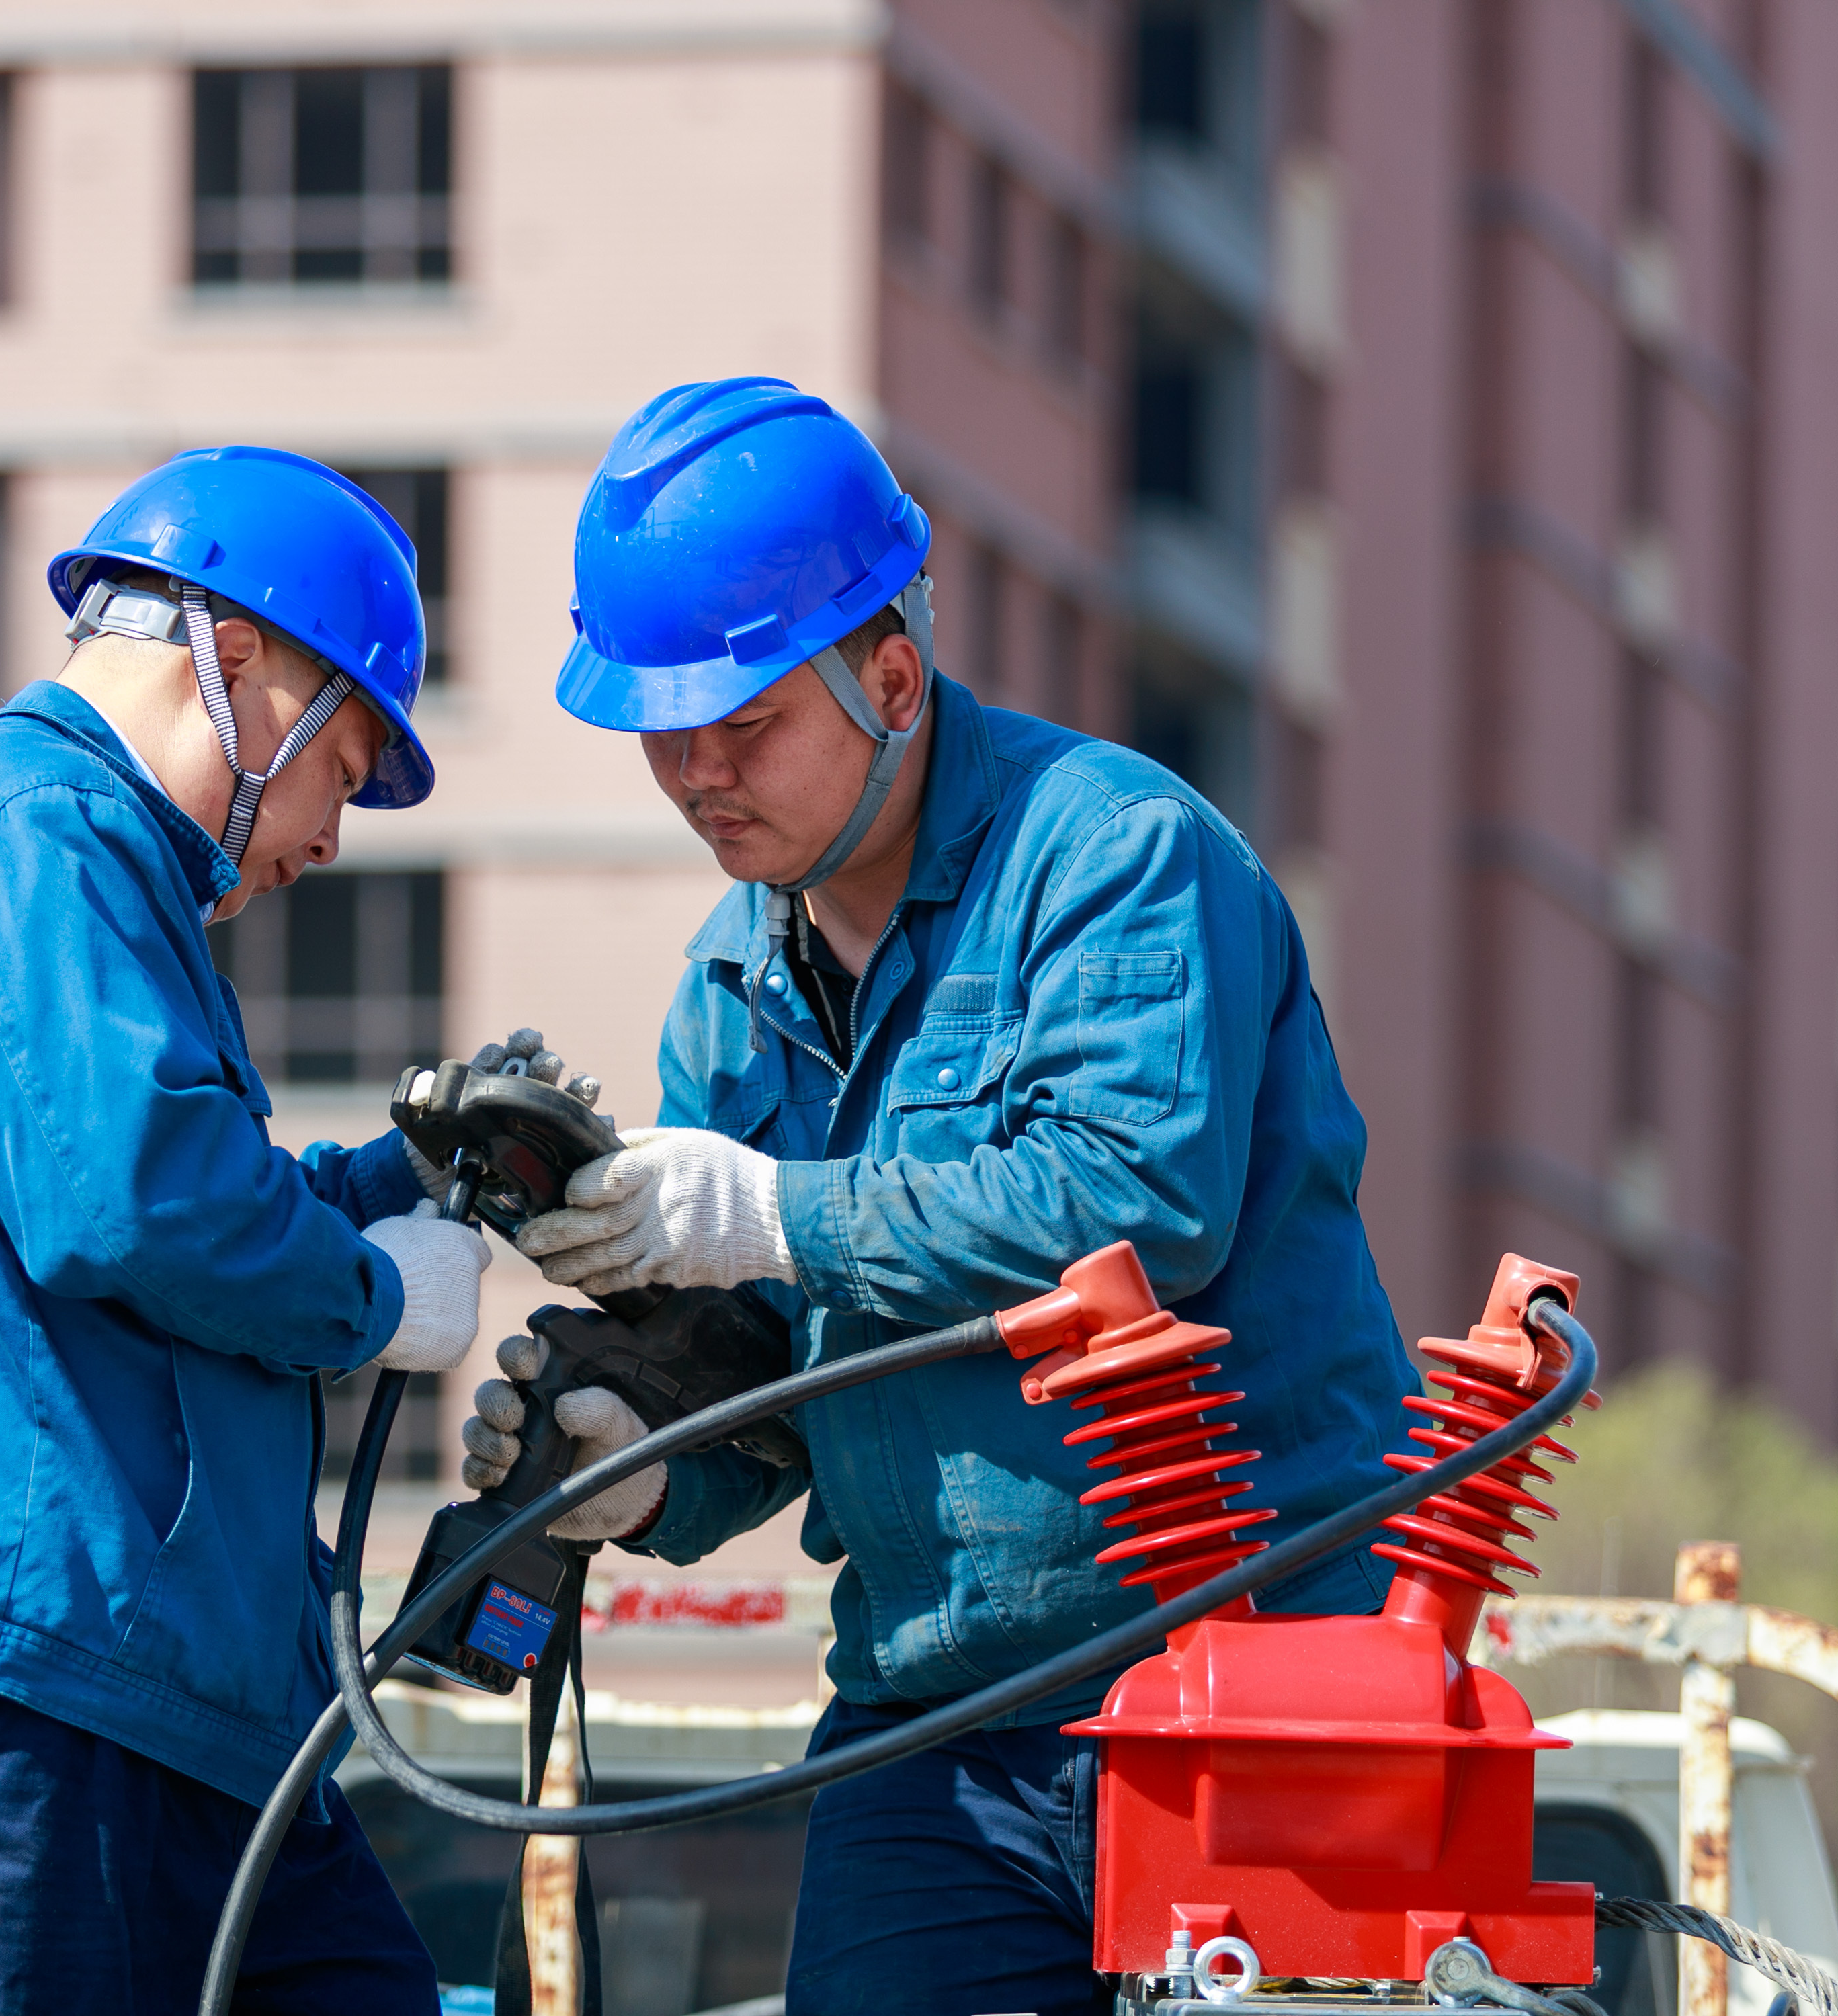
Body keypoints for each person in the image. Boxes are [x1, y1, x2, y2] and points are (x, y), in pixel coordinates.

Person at [462, 378, 1425, 2015]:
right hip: (938, 1716)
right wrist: (647, 1470)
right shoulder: (731, 981)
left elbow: (1133, 1205)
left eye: (744, 720)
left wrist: (774, 1215)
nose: (697, 771)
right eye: (660, 731)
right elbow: (773, 1358)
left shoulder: (1116, 853)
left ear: (892, 677)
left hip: (1257, 1682)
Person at [0, 447, 492, 2015]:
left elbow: (173, 1190)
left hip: (155, 1705)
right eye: (343, 771)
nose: (332, 839)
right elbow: (131, 1199)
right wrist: (370, 1299)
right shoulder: (20, 826)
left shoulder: (89, 871)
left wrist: (403, 1180)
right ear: (234, 655)